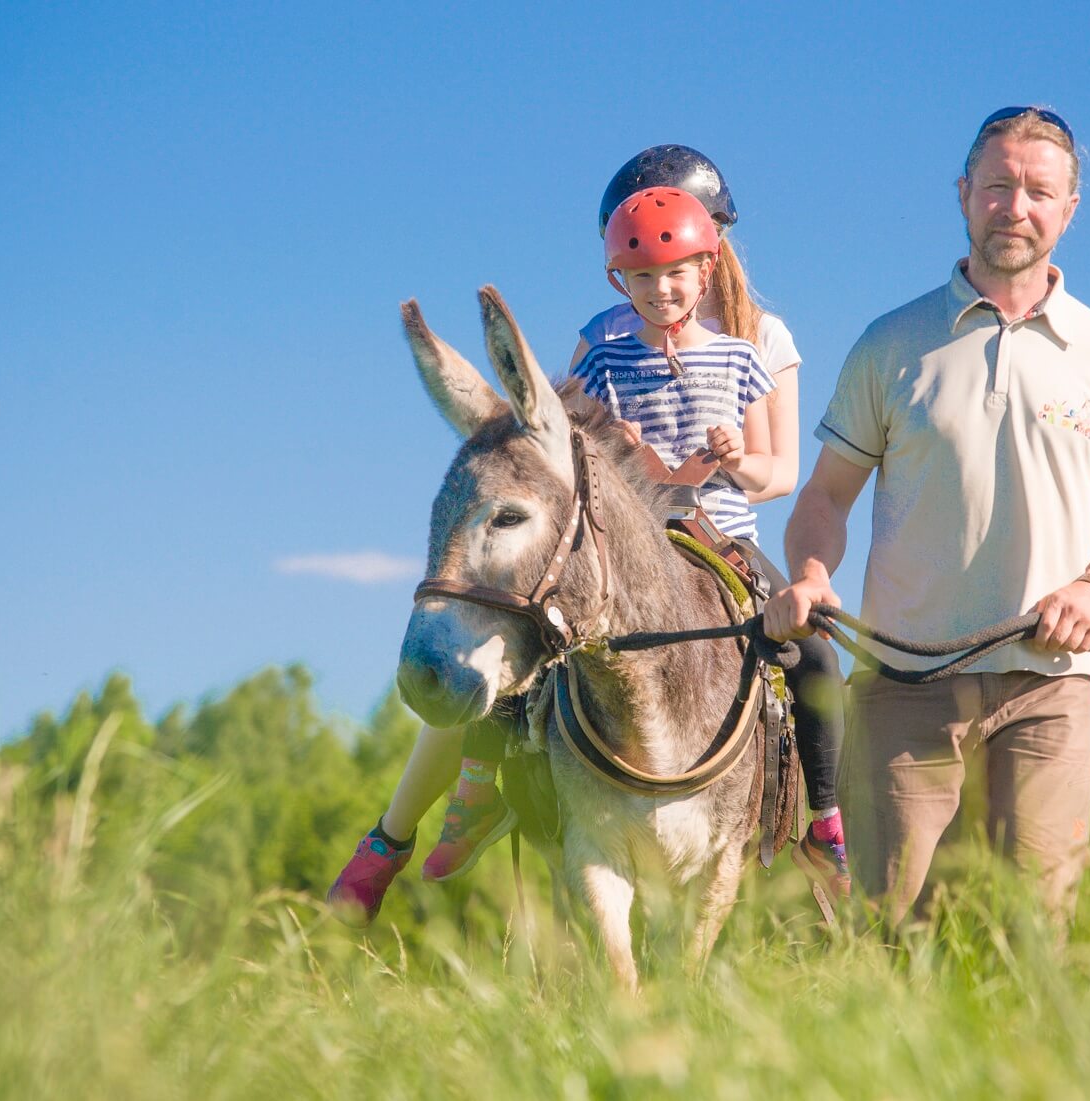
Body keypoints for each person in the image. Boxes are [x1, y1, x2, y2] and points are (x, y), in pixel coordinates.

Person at [329, 148, 848, 926]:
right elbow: (562, 443)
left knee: (813, 650)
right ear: (618, 266)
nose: (659, 282)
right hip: (630, 530)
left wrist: (732, 465)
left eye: (675, 259)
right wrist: (621, 452)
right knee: (527, 624)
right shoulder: (606, 338)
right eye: (637, 266)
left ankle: (825, 821)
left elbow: (782, 472)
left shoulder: (757, 341)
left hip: (721, 529)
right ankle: (473, 786)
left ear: (711, 248)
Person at [765, 107, 1090, 928]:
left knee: (1029, 929)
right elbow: (823, 497)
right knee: (891, 930)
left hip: (1050, 684)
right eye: (997, 185)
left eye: (1038, 191)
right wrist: (811, 571)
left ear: (1068, 210)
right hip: (904, 685)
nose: (1015, 206)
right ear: (964, 195)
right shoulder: (891, 344)